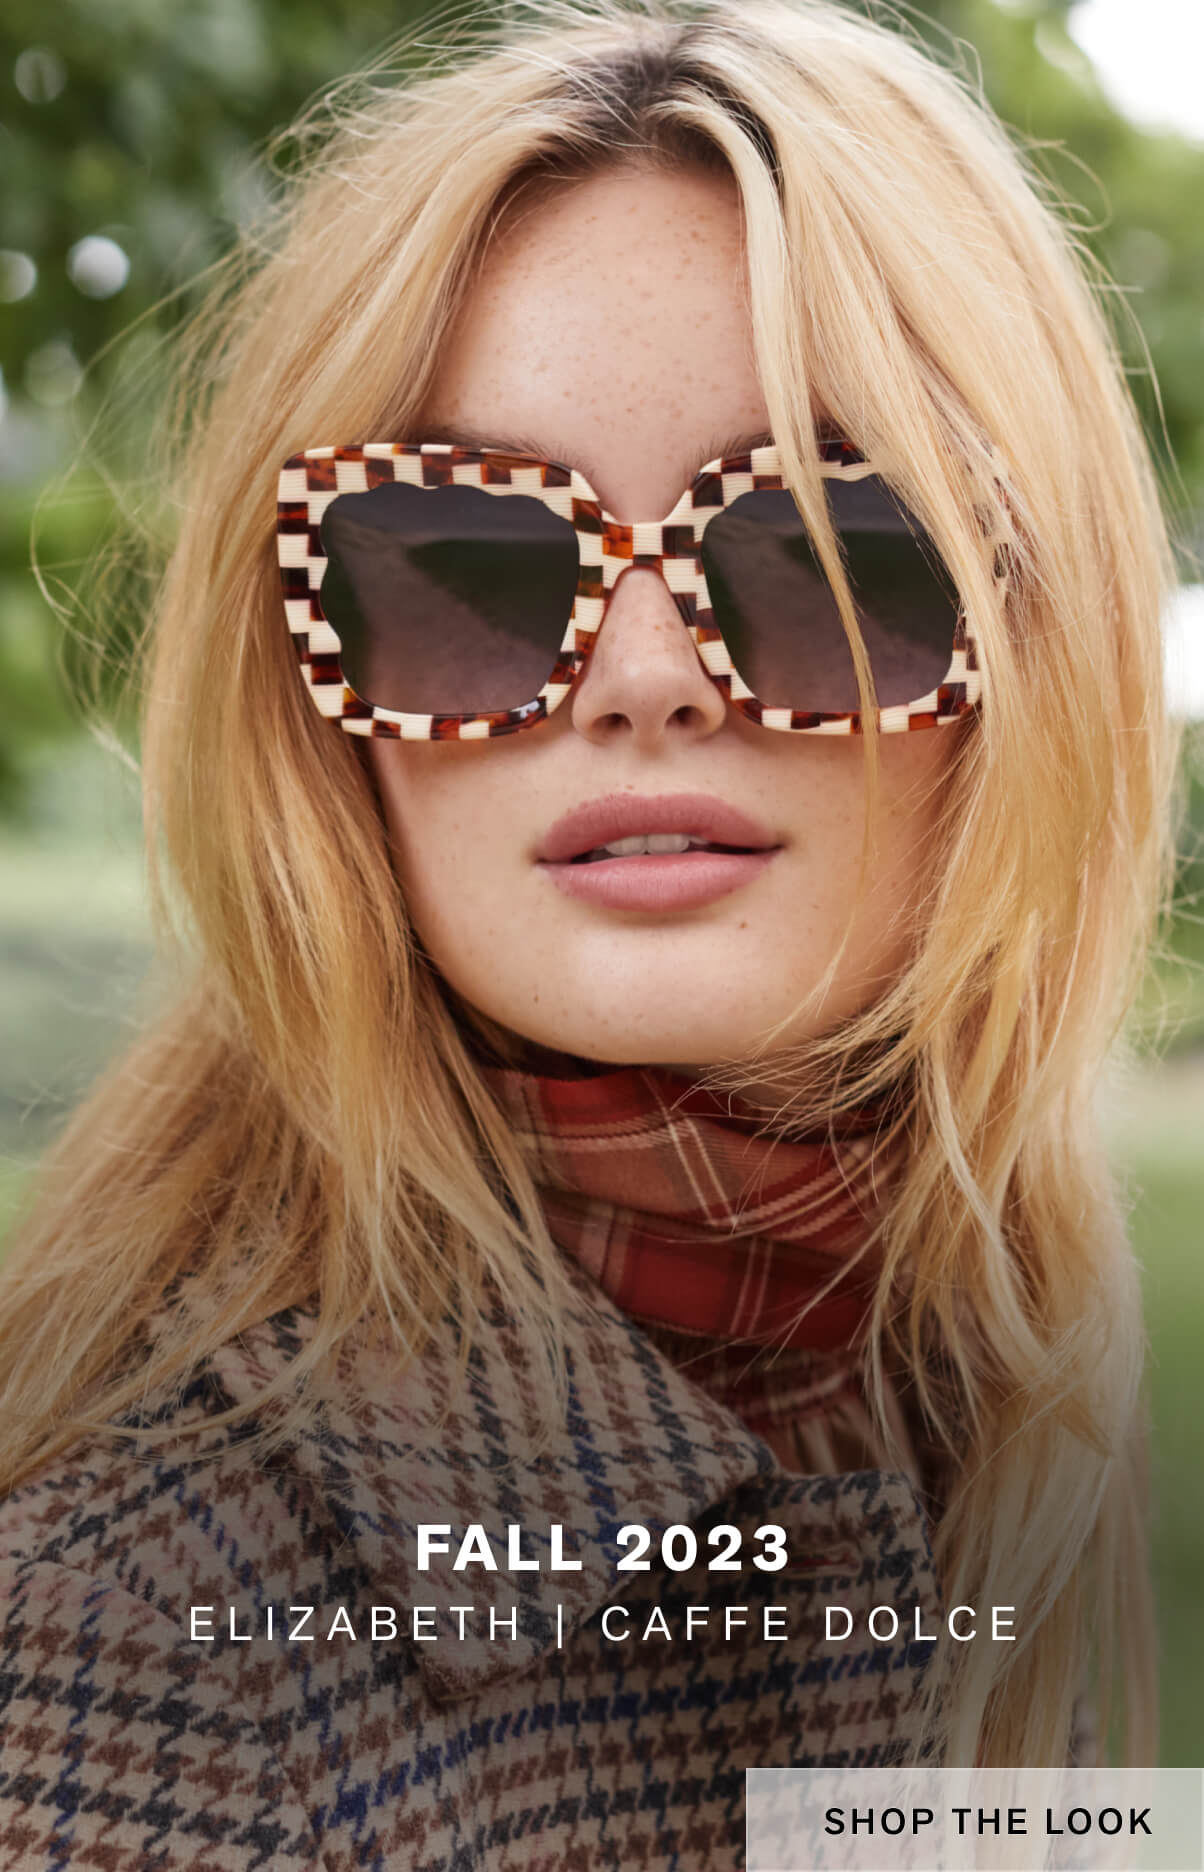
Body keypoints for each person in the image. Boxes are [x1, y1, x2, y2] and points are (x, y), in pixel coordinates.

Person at [0, 0, 1177, 1863]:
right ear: (314, 694)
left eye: (827, 551)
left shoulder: (973, 1391)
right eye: (463, 561)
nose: (640, 676)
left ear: (1036, 644)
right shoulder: (137, 1650)